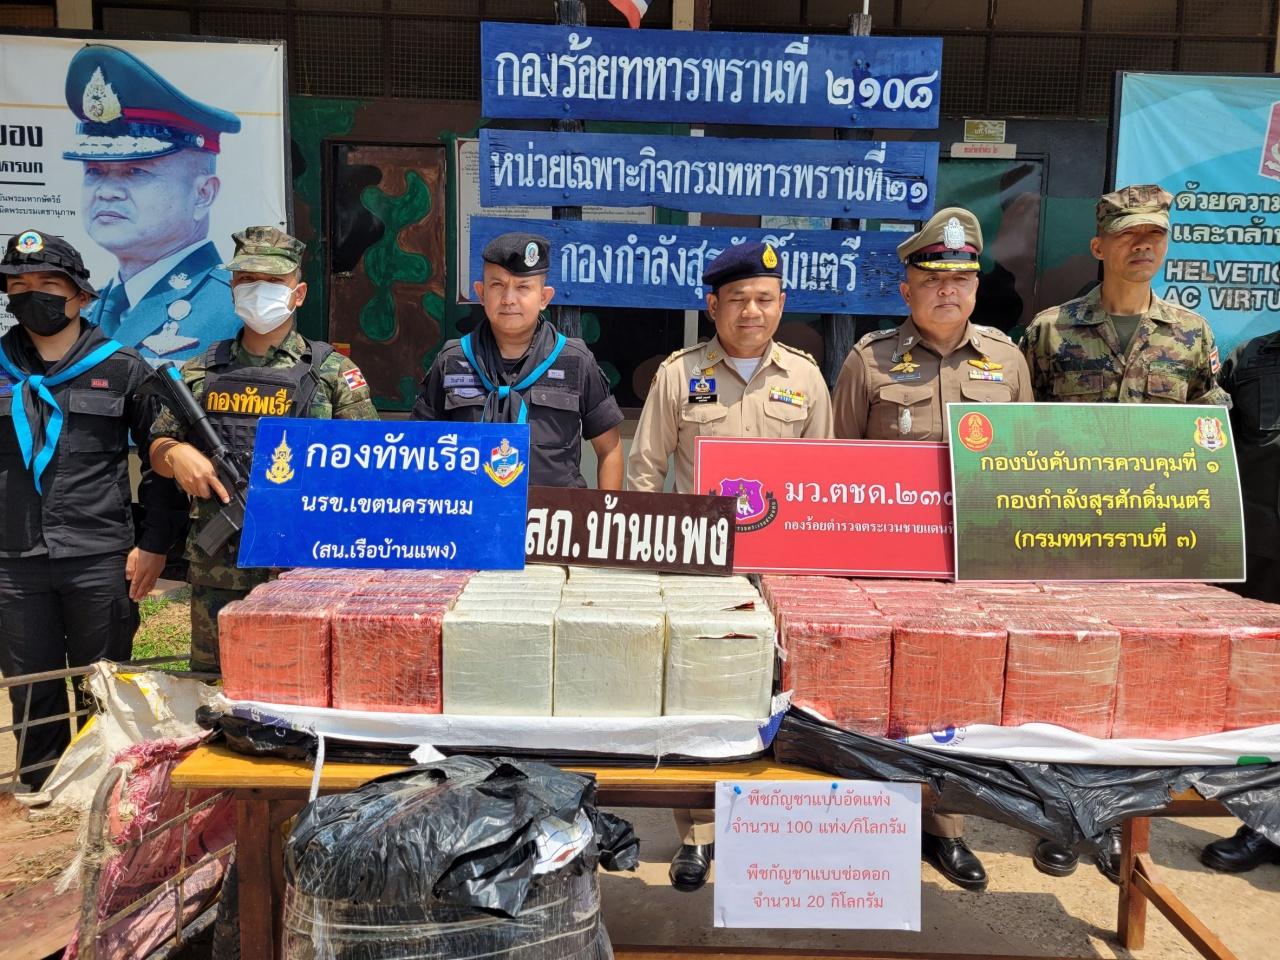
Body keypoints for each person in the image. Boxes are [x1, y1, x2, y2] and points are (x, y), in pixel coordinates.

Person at [1021, 185, 1229, 881]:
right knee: (1063, 678)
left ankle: (1115, 822)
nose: (1144, 245)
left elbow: (1211, 433)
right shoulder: (1051, 331)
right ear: (1099, 246)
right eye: (1130, 234)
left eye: (1156, 235)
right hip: (1065, 542)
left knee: (1135, 686)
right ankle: (1058, 817)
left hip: (1155, 548)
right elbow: (1022, 429)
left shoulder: (1191, 334)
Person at [833, 207, 1031, 892]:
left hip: (972, 565)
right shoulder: (868, 360)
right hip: (886, 566)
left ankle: (947, 828)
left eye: (961, 280)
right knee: (881, 694)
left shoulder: (1008, 360)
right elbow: (839, 465)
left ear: (975, 288)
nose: (948, 291)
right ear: (906, 288)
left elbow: (1023, 465)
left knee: (960, 695)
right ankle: (876, 826)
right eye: (933, 279)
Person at [627, 240, 831, 892]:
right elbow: (645, 471)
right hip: (701, 570)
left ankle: (770, 834)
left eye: (764, 299)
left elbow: (826, 475)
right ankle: (698, 834)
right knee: (701, 694)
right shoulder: (678, 374)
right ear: (713, 305)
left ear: (782, 304)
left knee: (782, 696)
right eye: (738, 299)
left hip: (782, 571)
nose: (752, 311)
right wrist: (653, 558)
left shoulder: (806, 378)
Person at [0, 229, 185, 789]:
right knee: (30, 688)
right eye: (18, 286)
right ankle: (40, 787)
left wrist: (154, 545)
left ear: (80, 295)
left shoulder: (125, 368)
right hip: (12, 560)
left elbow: (161, 461)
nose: (31, 294)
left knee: (103, 685)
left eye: (47, 283)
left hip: (99, 555)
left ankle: (100, 791)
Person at [148, 227, 377, 672]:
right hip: (220, 571)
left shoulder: (332, 373)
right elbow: (158, 447)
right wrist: (174, 454)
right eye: (247, 279)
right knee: (217, 683)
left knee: (302, 681)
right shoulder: (199, 372)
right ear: (233, 288)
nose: (258, 289)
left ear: (298, 293)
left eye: (272, 281)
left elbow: (369, 466)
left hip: (304, 568)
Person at [63, 44, 242, 363]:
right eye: (94, 171)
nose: (107, 191)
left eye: (135, 171)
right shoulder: (93, 309)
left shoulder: (234, 307)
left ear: (203, 194)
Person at [412, 232, 623, 488]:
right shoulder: (453, 360)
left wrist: (603, 511)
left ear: (544, 298)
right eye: (497, 285)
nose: (509, 299)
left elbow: (609, 449)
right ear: (481, 293)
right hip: (471, 511)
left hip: (553, 512)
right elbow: (418, 446)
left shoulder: (575, 361)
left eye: (523, 287)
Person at [1198, 335, 1280, 874]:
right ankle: (1264, 825)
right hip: (1262, 551)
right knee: (1263, 694)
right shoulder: (1251, 358)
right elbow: (1213, 442)